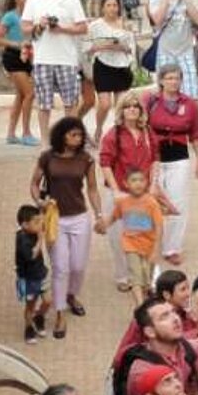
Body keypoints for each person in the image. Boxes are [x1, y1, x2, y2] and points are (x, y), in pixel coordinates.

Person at [28, 116, 103, 339]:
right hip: (55, 218)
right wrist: (39, 202)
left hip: (79, 217)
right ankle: (60, 313)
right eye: (73, 134)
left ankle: (72, 294)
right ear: (62, 135)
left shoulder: (86, 159)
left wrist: (99, 214)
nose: (77, 138)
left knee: (78, 265)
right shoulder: (47, 157)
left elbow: (91, 189)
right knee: (61, 267)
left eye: (80, 135)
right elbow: (34, 183)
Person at [99, 93, 162, 295]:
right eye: (128, 106)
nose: (133, 109)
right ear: (122, 111)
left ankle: (144, 277)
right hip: (121, 195)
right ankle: (123, 275)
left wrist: (154, 184)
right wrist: (116, 191)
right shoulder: (113, 135)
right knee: (118, 238)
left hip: (142, 195)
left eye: (136, 106)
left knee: (143, 235)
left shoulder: (147, 132)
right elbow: (105, 164)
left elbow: (155, 159)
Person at [144, 65, 198, 266]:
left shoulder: (190, 104)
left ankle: (172, 248)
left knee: (178, 203)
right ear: (161, 80)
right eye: (169, 78)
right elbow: (140, 125)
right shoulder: (151, 101)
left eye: (177, 78)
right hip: (154, 157)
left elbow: (196, 133)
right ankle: (146, 243)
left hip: (179, 156)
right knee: (150, 201)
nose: (173, 82)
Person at [21, 0, 89, 140]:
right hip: (43, 59)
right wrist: (39, 25)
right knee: (44, 104)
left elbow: (83, 27)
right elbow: (25, 27)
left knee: (71, 103)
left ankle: (70, 139)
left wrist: (62, 29)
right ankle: (45, 141)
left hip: (66, 58)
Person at [102, 168, 165, 307]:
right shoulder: (123, 202)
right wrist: (102, 225)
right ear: (125, 183)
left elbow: (159, 227)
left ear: (147, 182)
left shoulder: (151, 203)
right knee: (136, 277)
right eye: (134, 180)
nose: (138, 184)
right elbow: (114, 217)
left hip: (149, 245)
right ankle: (140, 306)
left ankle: (147, 293)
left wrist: (156, 249)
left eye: (141, 180)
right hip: (130, 244)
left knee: (146, 278)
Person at [149, 0, 198, 99]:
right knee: (165, 93)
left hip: (185, 51)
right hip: (165, 51)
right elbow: (157, 21)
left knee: (191, 94)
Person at [87, 0, 135, 146]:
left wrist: (120, 46)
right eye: (109, 5)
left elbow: (131, 48)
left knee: (121, 105)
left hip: (122, 66)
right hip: (103, 65)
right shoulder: (95, 26)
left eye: (115, 5)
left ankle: (119, 134)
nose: (112, 8)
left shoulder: (125, 24)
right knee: (105, 103)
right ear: (102, 8)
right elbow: (87, 46)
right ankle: (99, 127)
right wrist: (103, 45)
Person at [0, 0, 38, 146]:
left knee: (20, 96)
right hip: (13, 57)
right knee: (30, 94)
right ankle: (26, 133)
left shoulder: (32, 17)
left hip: (28, 57)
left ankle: (11, 134)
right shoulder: (10, 16)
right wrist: (17, 44)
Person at [15, 203, 51, 344]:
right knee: (30, 304)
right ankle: (28, 328)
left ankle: (39, 317)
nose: (40, 224)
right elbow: (32, 255)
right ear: (25, 225)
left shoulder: (34, 232)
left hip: (41, 274)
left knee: (48, 301)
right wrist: (41, 238)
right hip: (29, 279)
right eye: (36, 222)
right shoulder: (22, 239)